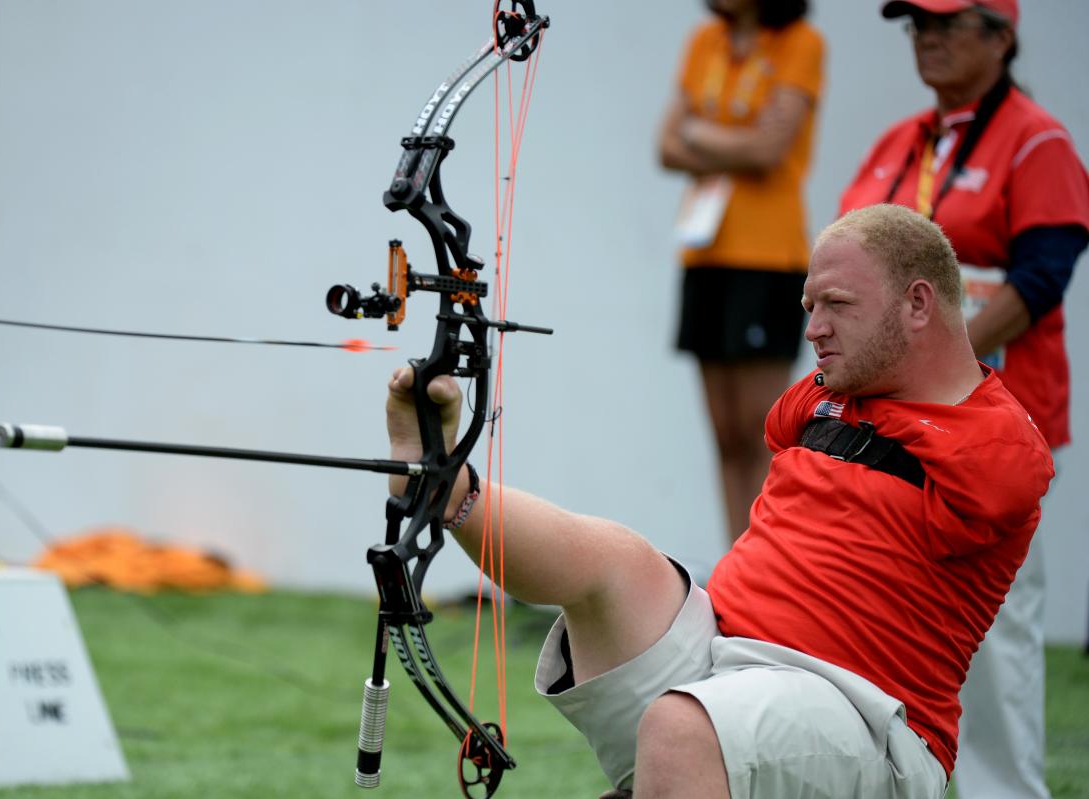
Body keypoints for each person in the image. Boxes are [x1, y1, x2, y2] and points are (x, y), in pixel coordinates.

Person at [386, 204, 1053, 797]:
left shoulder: (997, 436)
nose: (814, 329)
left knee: (683, 727)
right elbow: (786, 429)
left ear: (917, 304)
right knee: (615, 563)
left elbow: (1002, 489)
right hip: (722, 661)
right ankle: (447, 485)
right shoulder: (827, 395)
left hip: (867, 719)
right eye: (808, 307)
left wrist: (880, 419)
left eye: (837, 305)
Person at [838, 3, 1089, 796]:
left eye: (947, 23)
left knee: (995, 625)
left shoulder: (1036, 138)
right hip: (890, 421)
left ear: (1001, 36)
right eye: (916, 25)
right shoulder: (898, 142)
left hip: (993, 423)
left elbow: (1042, 278)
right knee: (873, 612)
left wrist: (944, 363)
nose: (928, 38)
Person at [658, 0, 824, 544]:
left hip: (767, 258)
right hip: (705, 255)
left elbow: (769, 151)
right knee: (726, 434)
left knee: (762, 432)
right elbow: (665, 145)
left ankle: (767, 568)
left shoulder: (800, 42)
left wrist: (700, 135)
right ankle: (737, 563)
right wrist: (734, 140)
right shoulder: (704, 40)